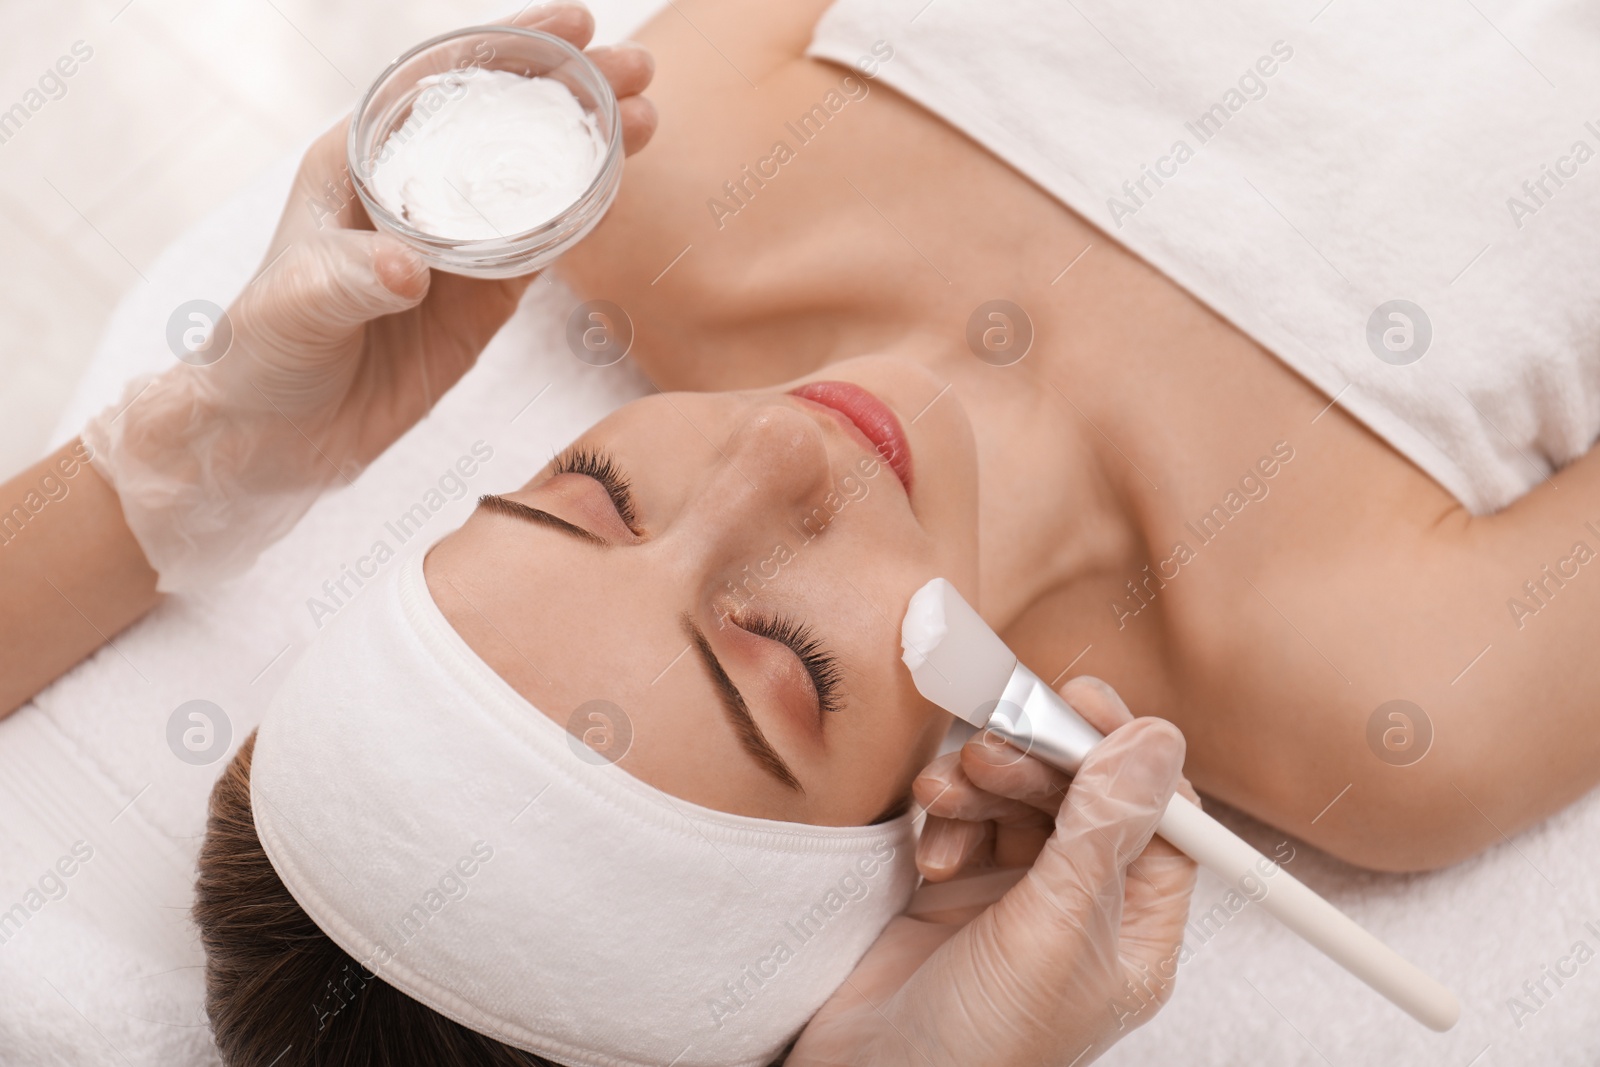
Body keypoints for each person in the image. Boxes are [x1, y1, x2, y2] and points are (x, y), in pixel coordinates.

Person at [0, 3, 1200, 1065]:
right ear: (901, 845)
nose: (775, 450)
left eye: (594, 491)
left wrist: (201, 456)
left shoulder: (691, 177)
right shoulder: (1334, 673)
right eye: (789, 652)